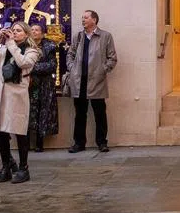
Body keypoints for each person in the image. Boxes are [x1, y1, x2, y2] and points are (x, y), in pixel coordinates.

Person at [0, 21, 42, 183]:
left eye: (18, 31)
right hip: (0, 95)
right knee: (1, 132)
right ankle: (6, 167)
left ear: (26, 34)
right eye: (13, 30)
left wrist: (10, 44)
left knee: (19, 132)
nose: (14, 33)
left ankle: (24, 168)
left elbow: (23, 63)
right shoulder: (4, 49)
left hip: (16, 96)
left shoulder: (32, 51)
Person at [66, 9, 117, 154]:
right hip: (79, 81)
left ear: (94, 20)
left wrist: (102, 70)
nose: (83, 20)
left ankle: (102, 142)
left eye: (86, 17)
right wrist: (72, 68)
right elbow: (70, 54)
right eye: (82, 17)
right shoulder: (78, 36)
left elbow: (112, 58)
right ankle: (79, 143)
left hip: (97, 81)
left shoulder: (105, 36)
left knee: (100, 114)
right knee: (80, 114)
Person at [27, 24, 59, 152]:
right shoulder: (25, 46)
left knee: (42, 110)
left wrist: (32, 67)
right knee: (29, 111)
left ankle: (39, 143)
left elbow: (52, 65)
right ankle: (26, 143)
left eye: (37, 30)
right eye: (32, 30)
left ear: (42, 33)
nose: (34, 32)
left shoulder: (49, 47)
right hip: (29, 84)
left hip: (45, 85)